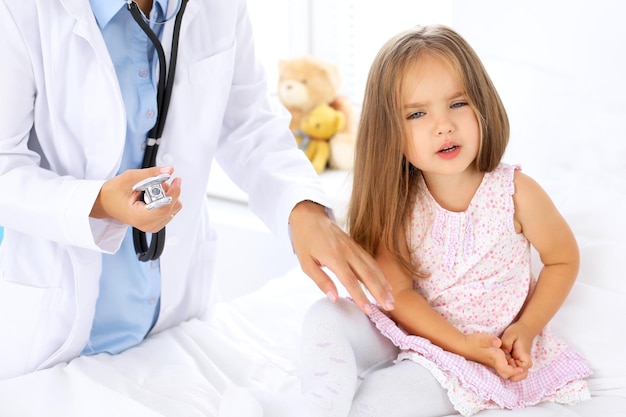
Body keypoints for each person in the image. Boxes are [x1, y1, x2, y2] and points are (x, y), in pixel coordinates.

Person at [0, 0, 395, 380]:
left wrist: (302, 209)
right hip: (59, 337)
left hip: (174, 320)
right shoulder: (21, 10)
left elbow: (248, 123)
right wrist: (99, 202)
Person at [232, 24, 592, 417]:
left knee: (384, 400)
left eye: (458, 103)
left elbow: (562, 259)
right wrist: (450, 339)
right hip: (405, 328)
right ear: (391, 134)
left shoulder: (516, 193)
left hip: (468, 357)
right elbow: (397, 296)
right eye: (417, 113)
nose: (443, 125)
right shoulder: (400, 202)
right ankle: (315, 406)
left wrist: (523, 328)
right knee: (325, 316)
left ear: (483, 105)